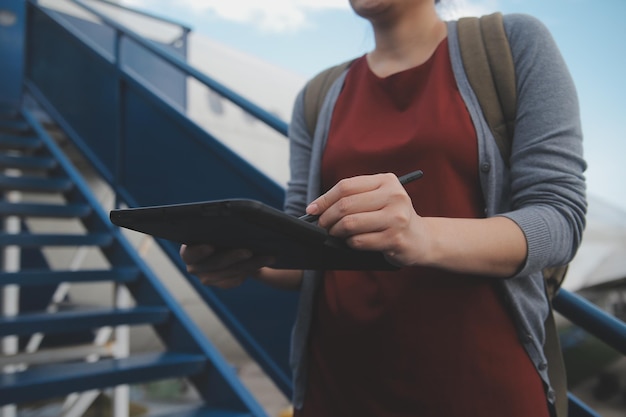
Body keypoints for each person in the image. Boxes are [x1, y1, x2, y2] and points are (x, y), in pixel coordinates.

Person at [180, 0, 587, 415]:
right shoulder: (319, 96)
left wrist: (421, 235)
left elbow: (560, 217)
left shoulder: (513, 43)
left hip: (479, 386)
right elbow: (305, 249)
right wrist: (250, 258)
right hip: (338, 386)